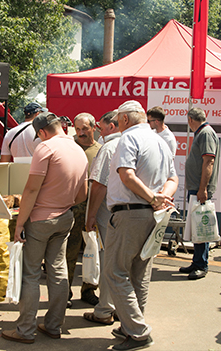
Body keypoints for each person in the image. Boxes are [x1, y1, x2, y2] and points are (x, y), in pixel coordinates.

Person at [1, 112, 88, 344]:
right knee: (58, 271)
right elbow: (83, 194)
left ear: (41, 132)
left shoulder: (45, 148)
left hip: (39, 219)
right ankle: (53, 325)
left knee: (31, 274)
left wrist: (20, 223)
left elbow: (30, 190)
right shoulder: (78, 150)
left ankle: (25, 330)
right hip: (65, 217)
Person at [104, 100, 178, 350]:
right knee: (139, 273)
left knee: (116, 272)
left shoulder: (128, 138)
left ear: (124, 119)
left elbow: (127, 174)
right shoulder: (160, 140)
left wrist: (153, 198)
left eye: (118, 119)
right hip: (151, 215)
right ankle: (130, 326)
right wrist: (161, 199)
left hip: (130, 213)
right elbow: (172, 177)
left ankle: (137, 332)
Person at [82, 111, 121, 325]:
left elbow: (98, 185)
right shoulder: (136, 143)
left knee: (108, 262)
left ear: (112, 126)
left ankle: (105, 309)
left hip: (110, 214)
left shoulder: (109, 147)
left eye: (102, 127)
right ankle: (120, 309)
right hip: (133, 214)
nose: (99, 131)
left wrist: (90, 217)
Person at [179, 107, 220, 280]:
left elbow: (208, 161)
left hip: (200, 189)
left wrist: (203, 188)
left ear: (190, 119)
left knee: (202, 226)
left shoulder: (205, 133)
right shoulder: (203, 133)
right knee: (197, 226)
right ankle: (197, 261)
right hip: (197, 188)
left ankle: (202, 264)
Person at [67, 112, 102, 306]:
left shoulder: (101, 150)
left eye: (85, 129)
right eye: (78, 129)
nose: (80, 133)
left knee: (92, 252)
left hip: (93, 208)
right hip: (72, 208)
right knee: (69, 253)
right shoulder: (69, 147)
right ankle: (65, 293)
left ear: (94, 127)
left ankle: (89, 290)